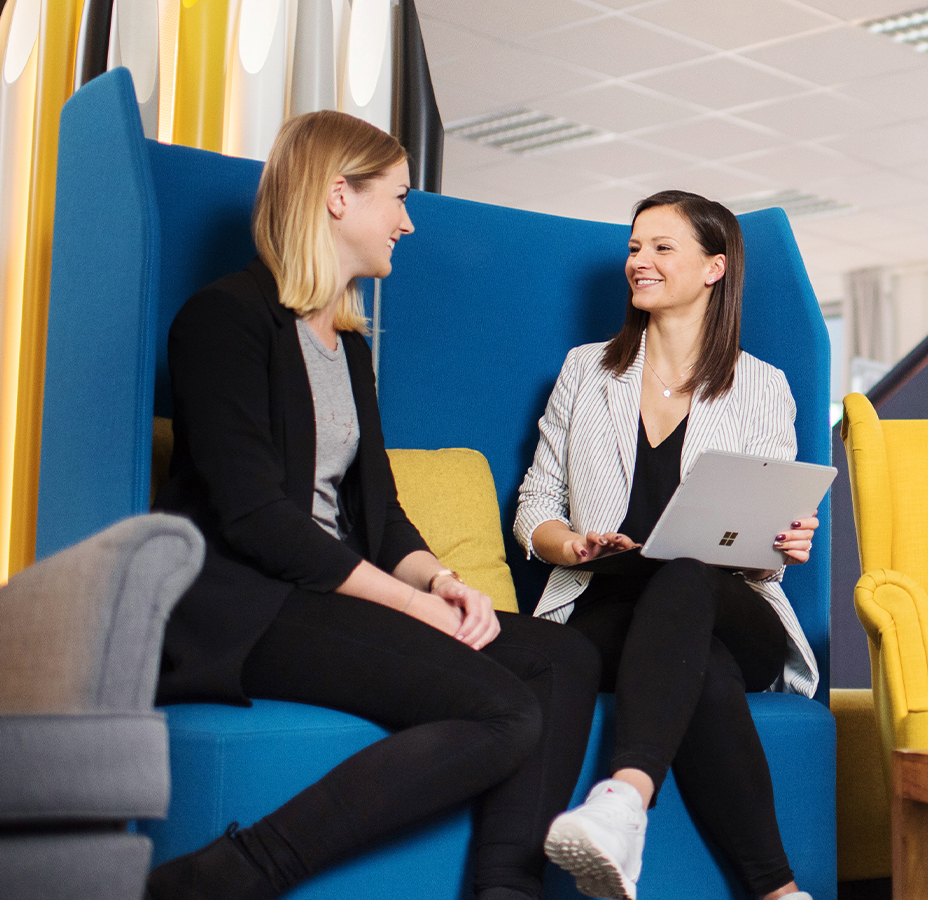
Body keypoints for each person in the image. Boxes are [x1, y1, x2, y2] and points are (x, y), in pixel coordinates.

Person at [146, 110, 600, 900]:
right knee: (505, 711)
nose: (409, 221)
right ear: (335, 196)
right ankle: (233, 873)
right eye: (396, 197)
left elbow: (379, 511)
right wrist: (406, 606)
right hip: (250, 606)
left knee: (566, 659)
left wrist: (437, 583)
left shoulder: (349, 347)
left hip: (330, 594)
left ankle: (507, 893)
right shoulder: (222, 319)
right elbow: (255, 518)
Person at [515, 190, 820, 900]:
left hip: (733, 607)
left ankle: (623, 801)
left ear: (715, 268)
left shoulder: (762, 387)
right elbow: (534, 507)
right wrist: (574, 546)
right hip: (609, 605)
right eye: (633, 247)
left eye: (661, 247)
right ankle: (778, 891)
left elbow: (761, 548)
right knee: (699, 668)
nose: (639, 262)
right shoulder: (585, 371)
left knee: (686, 571)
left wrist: (782, 539)